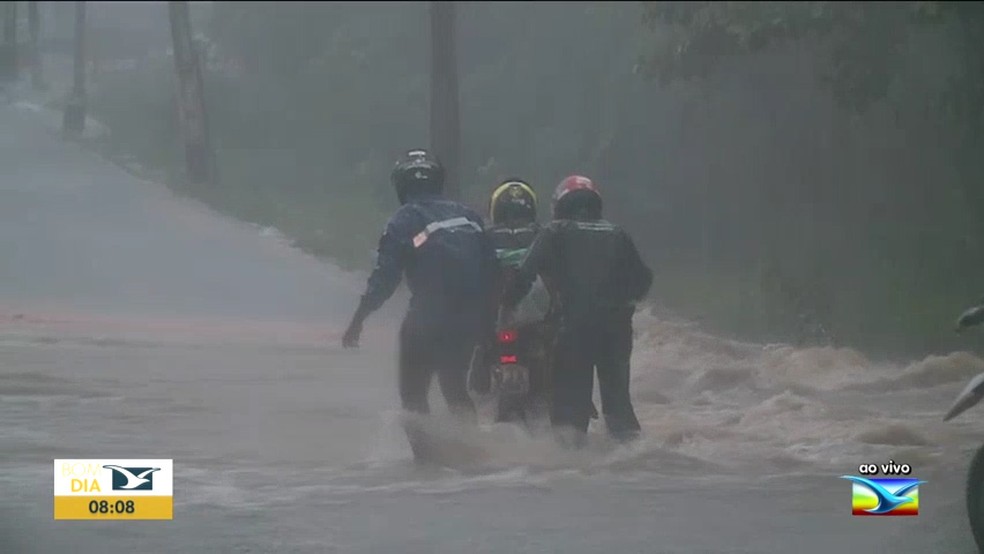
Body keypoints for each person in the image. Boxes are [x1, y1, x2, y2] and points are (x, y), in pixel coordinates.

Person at [342, 149, 498, 460]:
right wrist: (487, 327)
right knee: (455, 388)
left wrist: (358, 320)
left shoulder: (406, 218)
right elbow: (491, 271)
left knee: (413, 398)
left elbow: (385, 278)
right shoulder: (469, 216)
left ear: (401, 186)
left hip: (428, 317)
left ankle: (428, 463)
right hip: (469, 320)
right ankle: (475, 456)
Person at [501, 175, 652, 447]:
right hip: (616, 332)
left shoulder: (555, 231)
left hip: (574, 330)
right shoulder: (617, 233)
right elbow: (643, 282)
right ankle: (633, 461)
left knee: (570, 412)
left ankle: (572, 472)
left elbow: (524, 275)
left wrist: (507, 305)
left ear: (560, 204)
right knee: (618, 407)